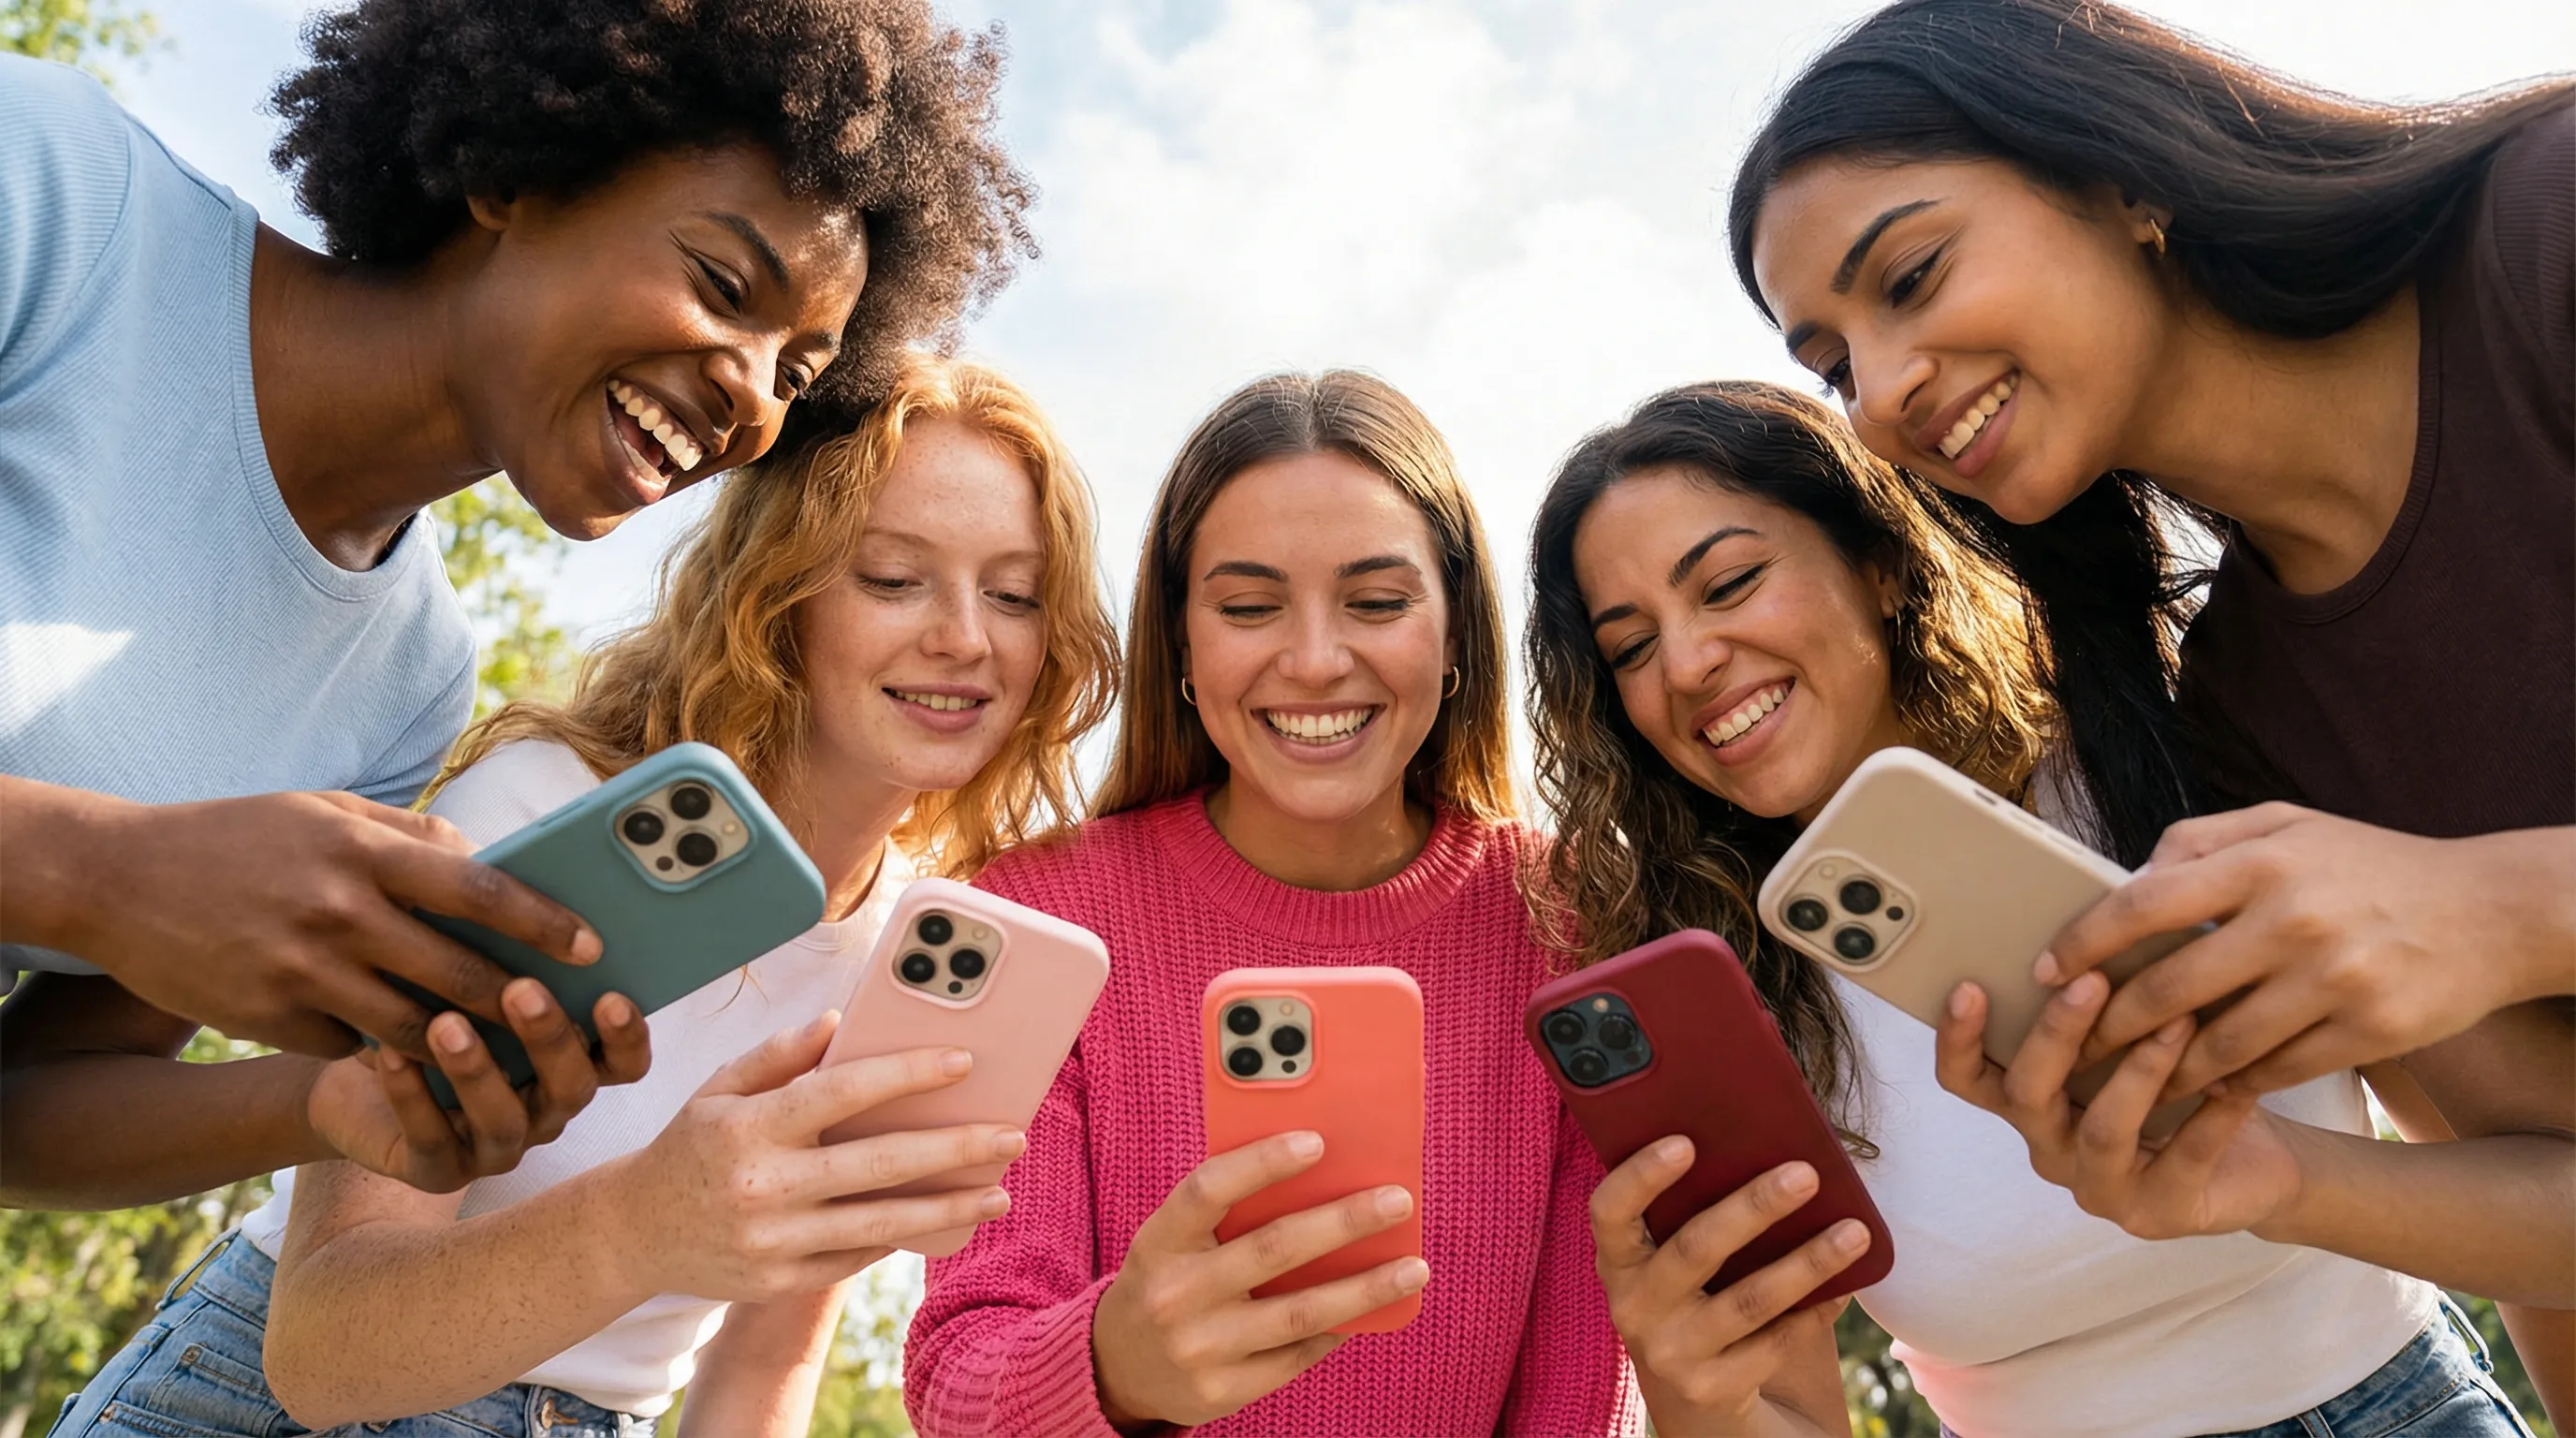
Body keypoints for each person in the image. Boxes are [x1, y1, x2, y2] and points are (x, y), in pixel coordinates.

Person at [0, 0, 1032, 1198]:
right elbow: (110, 883)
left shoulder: (405, 677)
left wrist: (334, 1103)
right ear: (524, 182)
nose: (751, 399)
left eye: (796, 376)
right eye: (720, 281)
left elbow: (21, 1116)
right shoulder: (58, 197)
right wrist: (98, 875)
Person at [1727, 0, 2573, 1409]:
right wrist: (2273, 1178)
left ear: (2119, 176)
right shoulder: (2244, 707)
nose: (1877, 396)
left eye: (1914, 274)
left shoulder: (2545, 236)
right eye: (1830, 366)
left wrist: (2502, 910)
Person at [50, 358, 1120, 1438]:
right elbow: (321, 1354)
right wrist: (653, 1219)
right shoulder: (540, 807)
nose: (966, 638)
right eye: (893, 578)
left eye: (1015, 596)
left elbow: (761, 1365)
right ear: (778, 592)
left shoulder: (914, 951)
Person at [1525, 378, 2556, 1436]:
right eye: (1631, 648)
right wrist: (1696, 1397)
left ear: (1877, 565)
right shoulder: (1718, 994)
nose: (1688, 665)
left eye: (1731, 582)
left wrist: (2288, 1182)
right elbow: (1788, 1415)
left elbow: (2545, 1211)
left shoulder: (2161, 759)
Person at [904, 371, 1642, 1437]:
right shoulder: (1038, 921)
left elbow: (1574, 1404)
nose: (1311, 660)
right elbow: (957, 1378)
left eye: (1378, 602)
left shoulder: (1575, 927)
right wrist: (1120, 1365)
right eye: (1248, 608)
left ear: (1457, 635)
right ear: (1185, 648)